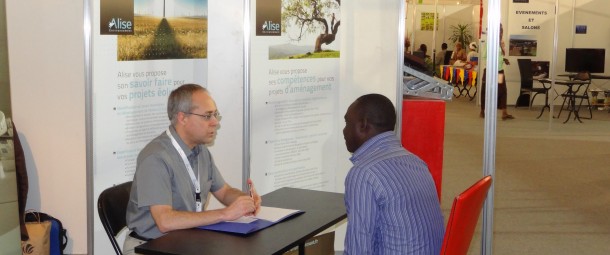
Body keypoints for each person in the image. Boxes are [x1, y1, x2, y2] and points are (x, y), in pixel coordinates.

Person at [124, 84, 261, 255]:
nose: (215, 123)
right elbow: (164, 221)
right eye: (207, 116)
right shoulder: (155, 158)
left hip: (187, 240)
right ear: (182, 118)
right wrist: (224, 213)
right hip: (150, 246)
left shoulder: (200, 150)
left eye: (215, 114)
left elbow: (224, 192)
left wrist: (244, 200)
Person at [342, 94, 445, 254]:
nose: (344, 130)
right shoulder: (415, 161)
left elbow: (359, 249)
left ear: (363, 125)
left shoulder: (363, 174)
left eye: (347, 122)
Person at [480, 24, 514, 120]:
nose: (501, 33)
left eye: (501, 31)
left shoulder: (500, 43)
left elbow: (499, 56)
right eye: (499, 31)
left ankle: (504, 112)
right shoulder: (490, 42)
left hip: (499, 71)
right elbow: (484, 56)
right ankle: (482, 110)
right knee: (485, 90)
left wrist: (504, 60)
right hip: (490, 72)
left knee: (502, 90)